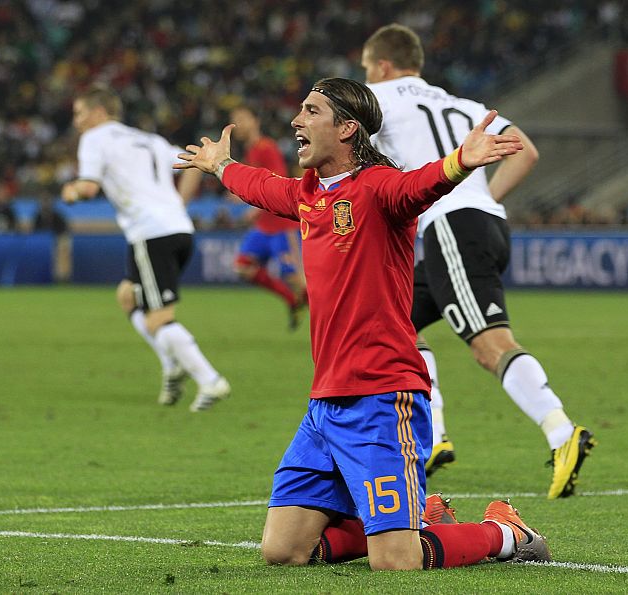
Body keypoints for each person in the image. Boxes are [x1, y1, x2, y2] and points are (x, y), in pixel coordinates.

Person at [176, 77, 550, 570]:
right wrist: (220, 165)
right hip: (324, 406)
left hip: (381, 396)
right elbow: (264, 188)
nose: (296, 121)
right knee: (283, 551)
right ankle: (415, 520)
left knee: (395, 562)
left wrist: (461, 161)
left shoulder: (378, 189)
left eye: (311, 112)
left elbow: (420, 184)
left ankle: (503, 532)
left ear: (348, 128)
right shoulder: (309, 195)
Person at [361, 24, 595, 498]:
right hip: (481, 222)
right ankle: (431, 438)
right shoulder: (462, 105)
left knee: (489, 344)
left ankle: (560, 430)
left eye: (367, 68)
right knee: (395, 323)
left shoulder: (376, 97)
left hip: (451, 227)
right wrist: (483, 195)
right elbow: (525, 152)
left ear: (382, 66)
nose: (366, 75)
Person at [61, 85, 230, 413]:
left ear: (98, 112)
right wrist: (179, 204)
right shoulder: (148, 139)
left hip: (151, 234)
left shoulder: (95, 139)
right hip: (179, 229)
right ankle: (171, 364)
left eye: (80, 113)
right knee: (128, 295)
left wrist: (71, 192)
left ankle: (210, 380)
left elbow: (88, 187)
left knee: (159, 318)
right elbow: (195, 162)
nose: (77, 120)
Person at [229, 105, 307, 330]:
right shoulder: (252, 150)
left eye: (242, 118)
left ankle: (334, 323)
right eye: (235, 120)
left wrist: (255, 207)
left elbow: (278, 183)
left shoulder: (266, 147)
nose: (238, 125)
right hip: (264, 225)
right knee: (242, 267)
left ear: (255, 121)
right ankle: (292, 300)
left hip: (283, 225)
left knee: (298, 280)